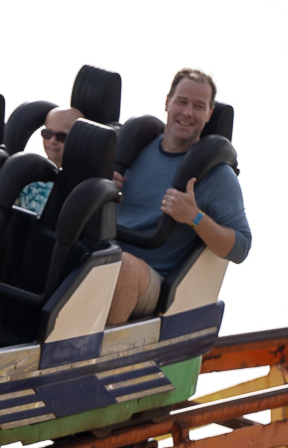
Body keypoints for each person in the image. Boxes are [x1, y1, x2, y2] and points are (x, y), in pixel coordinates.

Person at [106, 69, 251, 326]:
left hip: (149, 278)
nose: (187, 113)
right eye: (182, 102)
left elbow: (241, 247)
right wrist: (102, 180)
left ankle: (92, 359)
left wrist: (195, 217)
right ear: (167, 102)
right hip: (102, 255)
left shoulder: (217, 176)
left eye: (198, 106)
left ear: (209, 114)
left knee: (123, 267)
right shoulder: (130, 150)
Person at [15, 106, 83, 214]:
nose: (52, 141)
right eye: (47, 134)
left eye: (61, 137)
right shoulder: (29, 174)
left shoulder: (82, 185)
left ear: (78, 139)